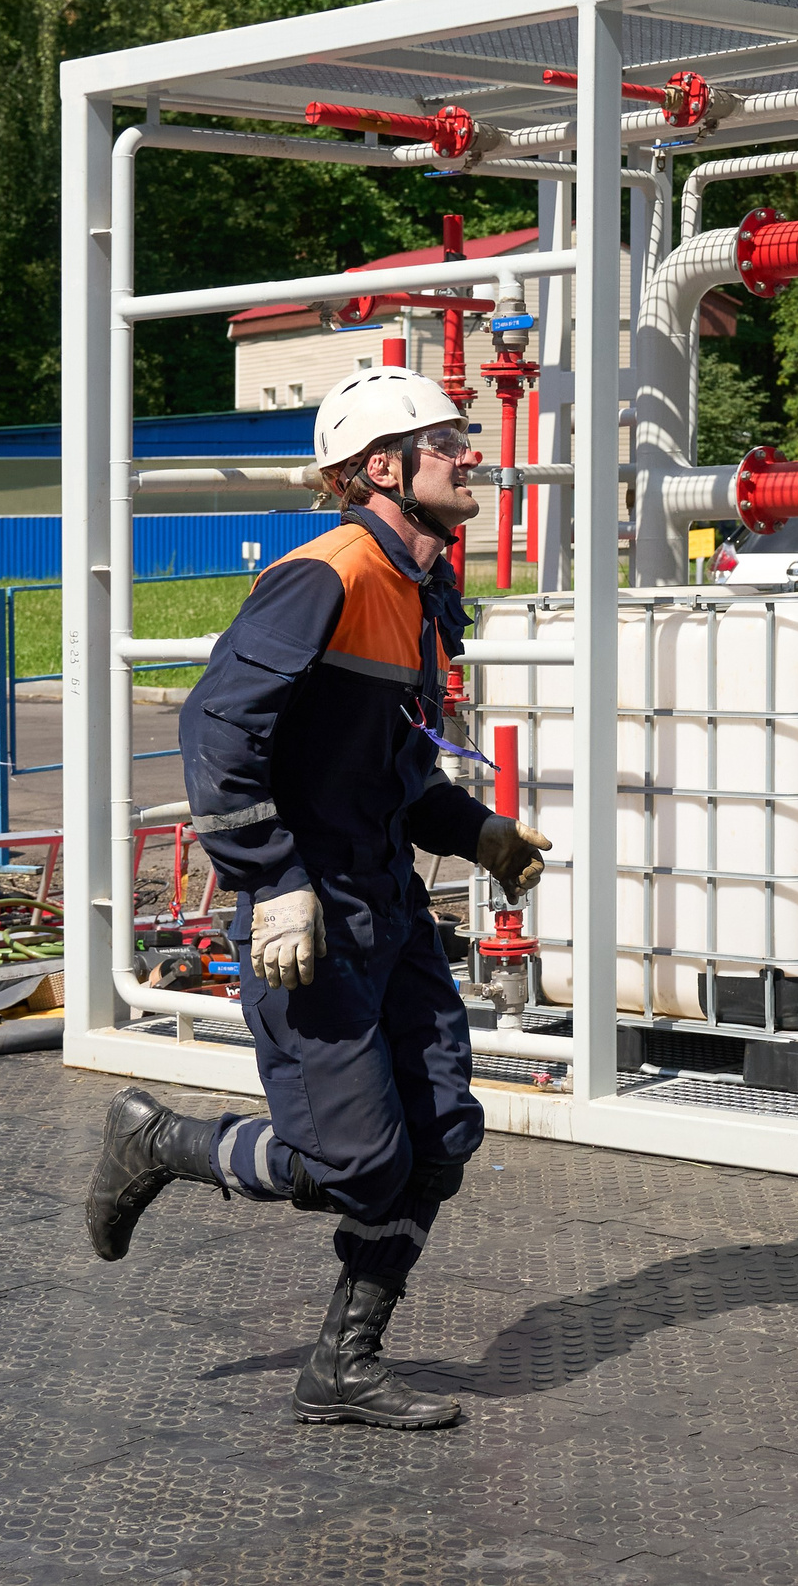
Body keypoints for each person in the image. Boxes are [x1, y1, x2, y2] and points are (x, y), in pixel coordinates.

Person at [84, 366, 550, 1430]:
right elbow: (216, 731)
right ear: (382, 469)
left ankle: (344, 1364)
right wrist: (273, 884)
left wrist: (468, 830)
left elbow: (381, 763)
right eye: (446, 440)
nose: (469, 452)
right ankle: (158, 1143)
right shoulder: (326, 572)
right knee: (356, 1165)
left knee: (437, 1141)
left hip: (385, 902)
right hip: (312, 915)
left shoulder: (415, 586)